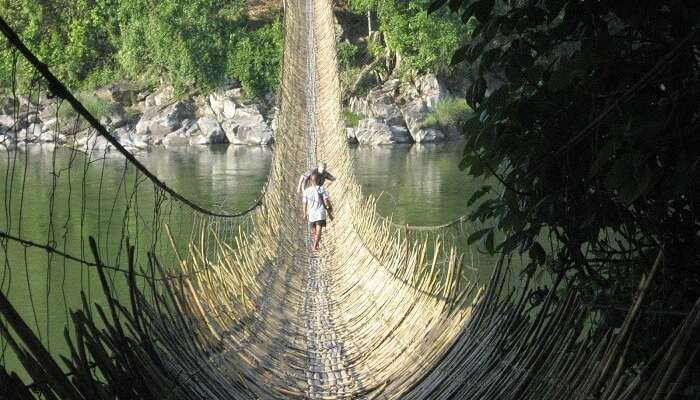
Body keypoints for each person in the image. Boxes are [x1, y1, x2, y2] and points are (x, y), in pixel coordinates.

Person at [303, 172, 332, 251]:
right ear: (318, 180)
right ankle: (315, 245)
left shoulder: (306, 191)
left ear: (310, 181)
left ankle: (316, 244)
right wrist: (329, 207)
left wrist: (305, 213)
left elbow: (304, 204)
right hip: (320, 213)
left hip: (311, 213)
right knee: (319, 230)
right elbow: (326, 200)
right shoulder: (321, 189)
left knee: (314, 231)